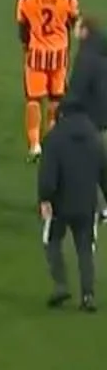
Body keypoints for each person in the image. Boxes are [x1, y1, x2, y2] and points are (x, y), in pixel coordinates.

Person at [37, 98, 107, 312]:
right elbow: (104, 174)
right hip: (87, 204)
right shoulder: (95, 139)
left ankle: (61, 286)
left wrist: (45, 198)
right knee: (86, 250)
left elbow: (48, 174)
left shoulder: (54, 138)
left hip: (60, 204)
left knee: (52, 242)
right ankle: (88, 296)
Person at [16, 0, 79, 161]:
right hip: (58, 55)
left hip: (36, 54)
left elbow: (22, 27)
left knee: (34, 99)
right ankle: (51, 140)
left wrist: (27, 46)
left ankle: (34, 145)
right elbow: (74, 22)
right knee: (56, 98)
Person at [66, 17, 107, 220]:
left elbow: (77, 88)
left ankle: (94, 205)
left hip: (91, 117)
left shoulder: (86, 56)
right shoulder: (102, 51)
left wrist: (65, 110)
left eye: (77, 27)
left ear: (84, 31)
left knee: (90, 162)